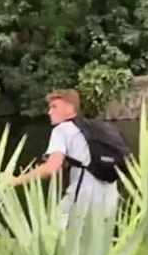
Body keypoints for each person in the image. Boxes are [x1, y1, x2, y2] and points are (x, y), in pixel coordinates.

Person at [8, 89, 119, 226]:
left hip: (82, 200)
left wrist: (16, 180)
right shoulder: (98, 128)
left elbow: (51, 168)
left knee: (53, 233)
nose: (49, 112)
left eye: (54, 107)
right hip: (109, 200)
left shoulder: (62, 130)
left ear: (70, 108)